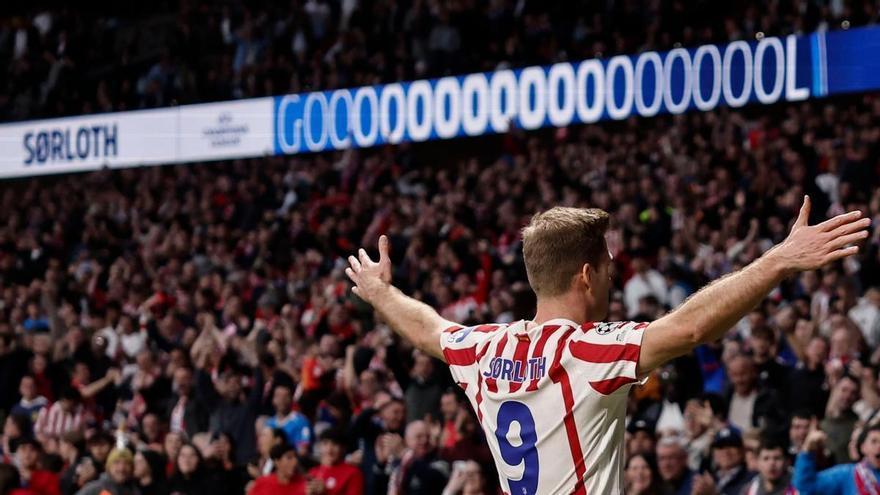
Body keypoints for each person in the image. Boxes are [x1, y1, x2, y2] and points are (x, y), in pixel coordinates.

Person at [345, 199, 870, 492]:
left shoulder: (482, 350)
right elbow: (690, 329)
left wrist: (378, 292)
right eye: (609, 270)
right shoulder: (587, 354)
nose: (614, 281)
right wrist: (778, 260)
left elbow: (425, 328)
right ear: (586, 276)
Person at [794, 422, 880, 494]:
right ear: (863, 447)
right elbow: (806, 486)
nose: (879, 446)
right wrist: (807, 451)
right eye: (874, 441)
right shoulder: (847, 474)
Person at [308, 429, 363, 495]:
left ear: (343, 448)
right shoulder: (313, 472)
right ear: (320, 447)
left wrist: (326, 493)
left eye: (335, 444)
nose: (329, 450)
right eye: (325, 443)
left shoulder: (353, 473)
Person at [264, 384, 311, 458]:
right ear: (273, 400)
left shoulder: (301, 421)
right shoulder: (269, 423)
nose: (282, 400)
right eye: (278, 396)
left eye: (286, 396)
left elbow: (303, 451)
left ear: (292, 399)